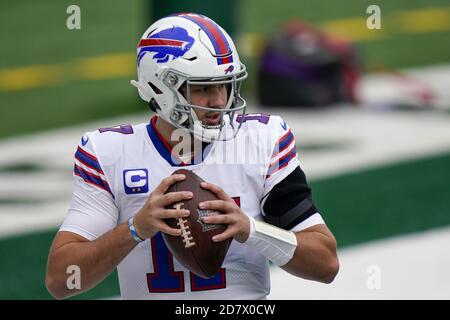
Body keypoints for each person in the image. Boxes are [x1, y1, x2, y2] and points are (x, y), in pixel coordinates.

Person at [45, 12, 339, 300]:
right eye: (203, 89)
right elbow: (60, 280)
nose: (219, 101)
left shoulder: (262, 141)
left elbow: (326, 264)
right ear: (159, 87)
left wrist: (251, 230)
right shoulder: (109, 153)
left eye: (225, 85)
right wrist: (136, 228)